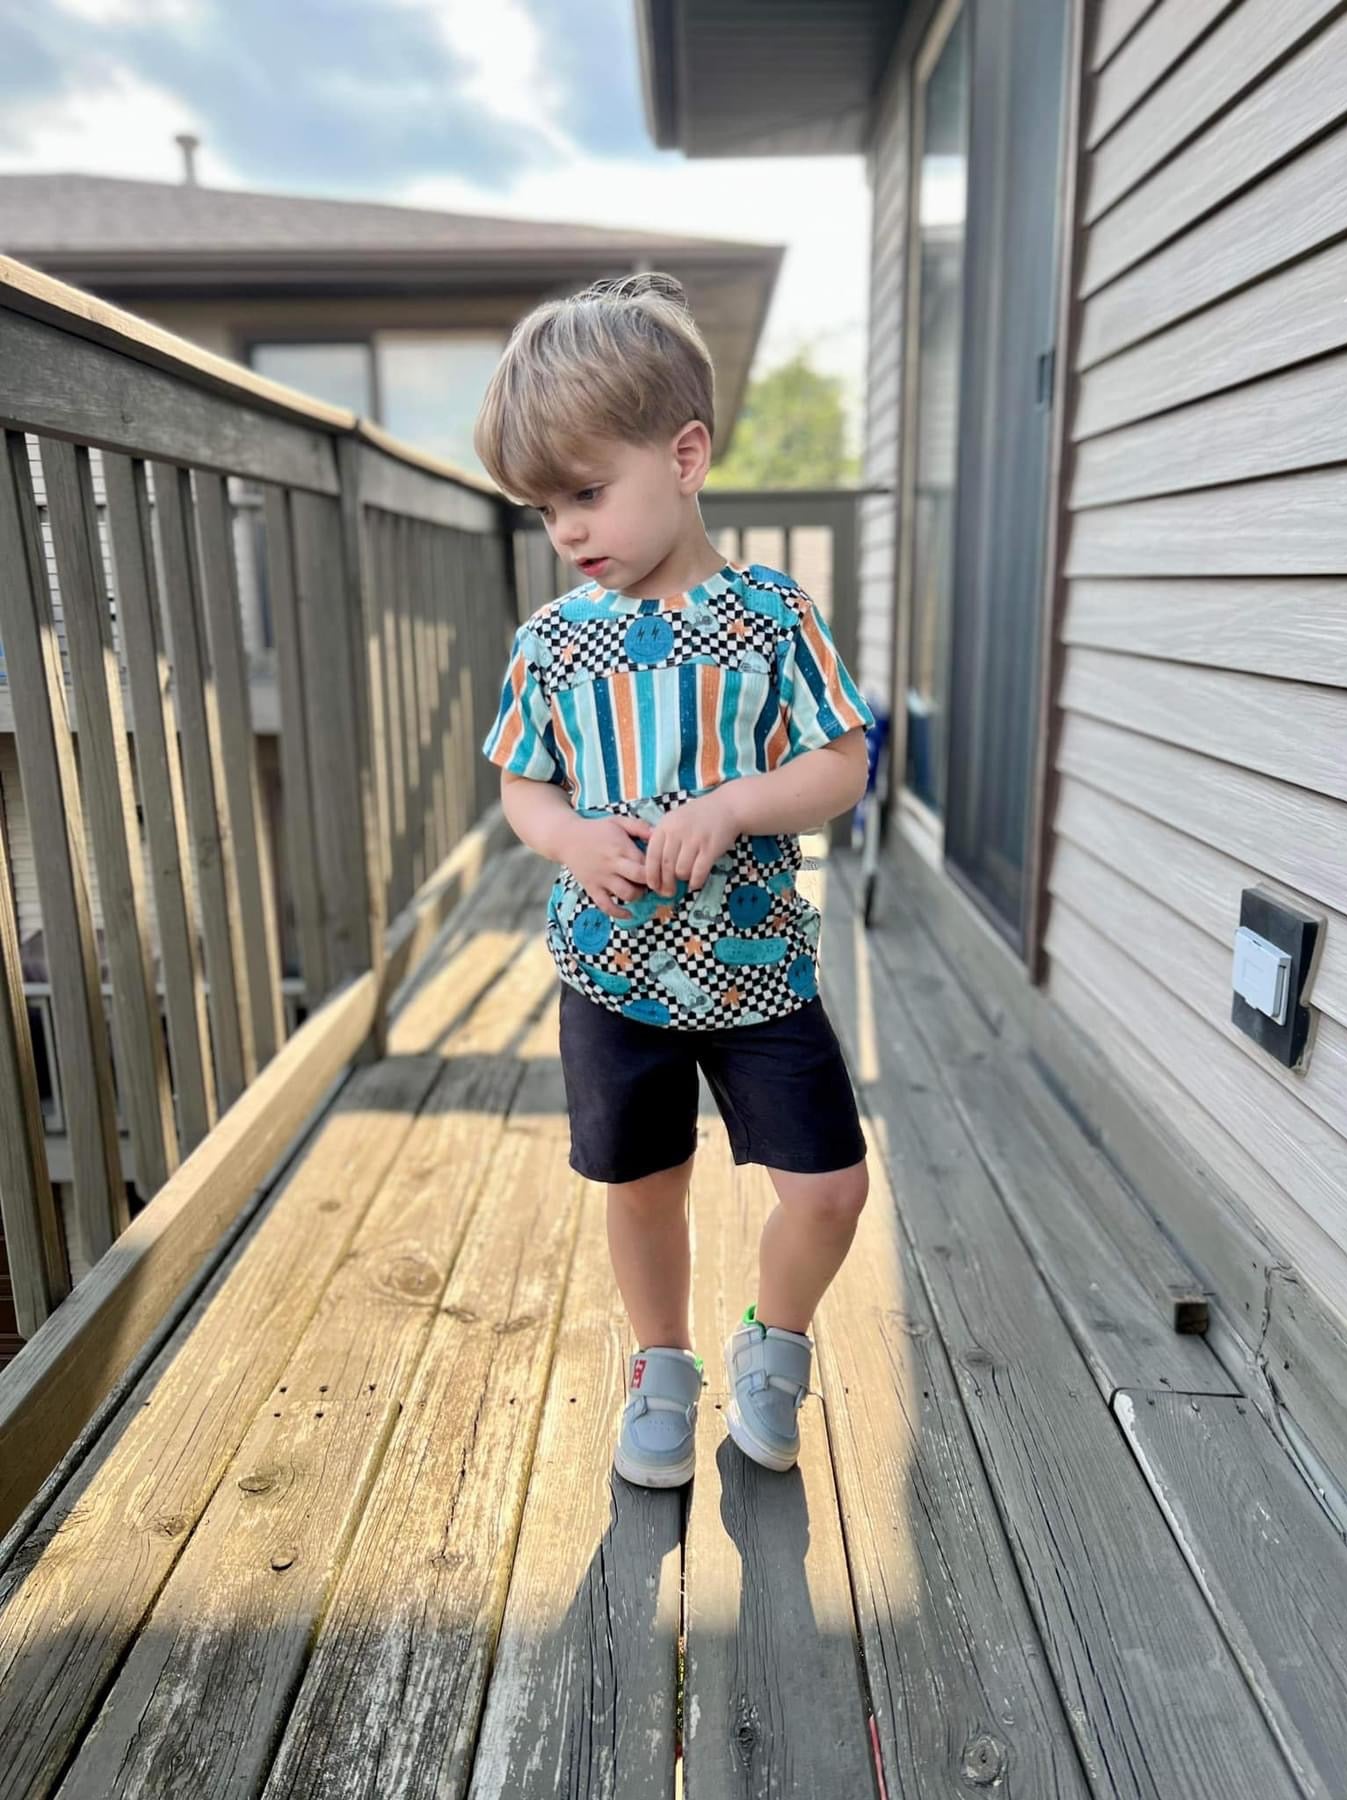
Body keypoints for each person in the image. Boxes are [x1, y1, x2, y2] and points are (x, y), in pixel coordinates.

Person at [477, 272, 873, 1489]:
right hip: (614, 972)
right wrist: (565, 839)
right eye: (548, 511)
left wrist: (736, 806)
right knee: (644, 1185)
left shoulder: (768, 617)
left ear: (685, 453)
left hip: (755, 962)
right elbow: (521, 786)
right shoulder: (552, 642)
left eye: (589, 492)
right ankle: (661, 1364)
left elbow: (842, 761)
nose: (572, 530)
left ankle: (777, 1339)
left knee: (830, 1185)